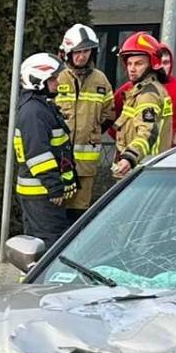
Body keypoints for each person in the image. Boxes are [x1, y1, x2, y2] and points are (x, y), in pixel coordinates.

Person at [11, 52, 79, 243]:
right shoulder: (34, 112)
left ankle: (31, 274)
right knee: (49, 244)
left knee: (36, 245)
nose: (57, 83)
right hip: (41, 194)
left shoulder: (40, 107)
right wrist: (54, 187)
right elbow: (38, 155)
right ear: (38, 80)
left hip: (40, 193)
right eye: (53, 79)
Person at [54, 24, 114, 223]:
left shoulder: (101, 81)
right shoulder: (56, 77)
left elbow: (109, 113)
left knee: (78, 215)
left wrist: (93, 133)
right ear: (68, 52)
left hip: (85, 166)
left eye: (86, 51)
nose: (82, 56)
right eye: (78, 52)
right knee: (55, 213)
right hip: (56, 163)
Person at [108, 44, 176, 146]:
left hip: (162, 155)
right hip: (130, 155)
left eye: (166, 62)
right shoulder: (129, 88)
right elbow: (109, 116)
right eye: (159, 62)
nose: (161, 67)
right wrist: (121, 138)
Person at [110, 33, 171, 180]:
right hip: (140, 169)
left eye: (138, 64)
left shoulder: (148, 94)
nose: (132, 68)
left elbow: (147, 132)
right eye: (129, 63)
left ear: (152, 64)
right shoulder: (139, 91)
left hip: (142, 170)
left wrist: (129, 157)